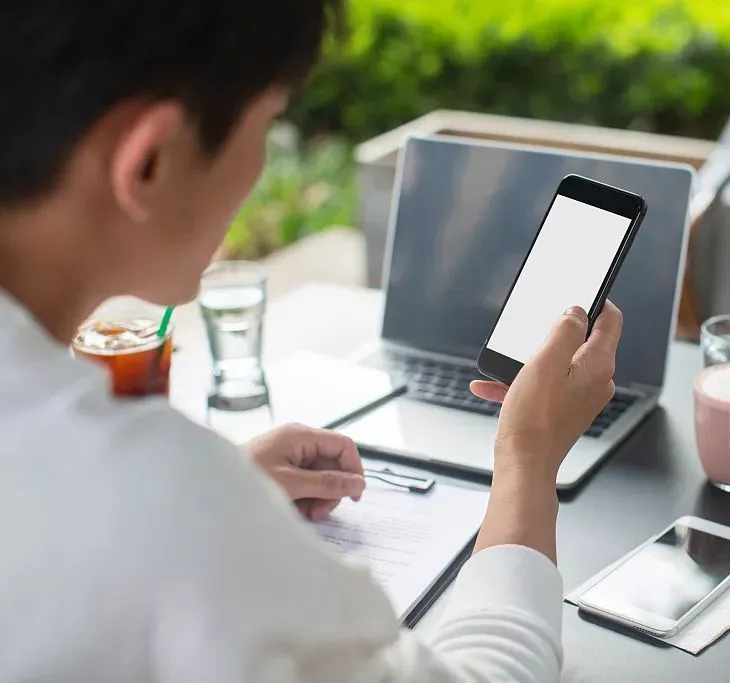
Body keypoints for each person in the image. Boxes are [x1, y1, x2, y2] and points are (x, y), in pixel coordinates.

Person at [0, 1, 623, 681]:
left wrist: (225, 486)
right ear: (150, 159)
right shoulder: (161, 501)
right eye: (267, 122)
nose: (263, 163)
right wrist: (528, 458)